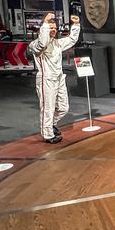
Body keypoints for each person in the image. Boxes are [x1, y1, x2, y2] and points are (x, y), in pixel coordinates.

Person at [29, 12, 80, 144]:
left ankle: (51, 123)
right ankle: (47, 134)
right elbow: (42, 43)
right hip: (46, 79)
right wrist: (46, 22)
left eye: (55, 28)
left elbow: (72, 40)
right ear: (44, 28)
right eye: (51, 28)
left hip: (59, 78)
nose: (53, 30)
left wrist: (76, 25)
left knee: (64, 107)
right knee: (48, 108)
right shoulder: (35, 45)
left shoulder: (57, 43)